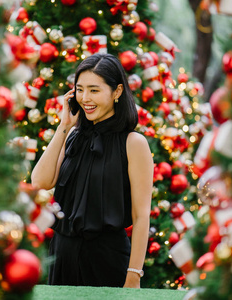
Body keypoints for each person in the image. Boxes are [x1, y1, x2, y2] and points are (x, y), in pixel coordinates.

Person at [31, 53, 153, 288]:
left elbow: (141, 216)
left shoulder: (133, 143)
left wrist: (133, 275)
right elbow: (39, 182)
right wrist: (63, 127)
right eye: (80, 89)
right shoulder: (73, 136)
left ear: (117, 92)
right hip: (62, 257)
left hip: (107, 260)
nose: (85, 98)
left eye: (94, 90)